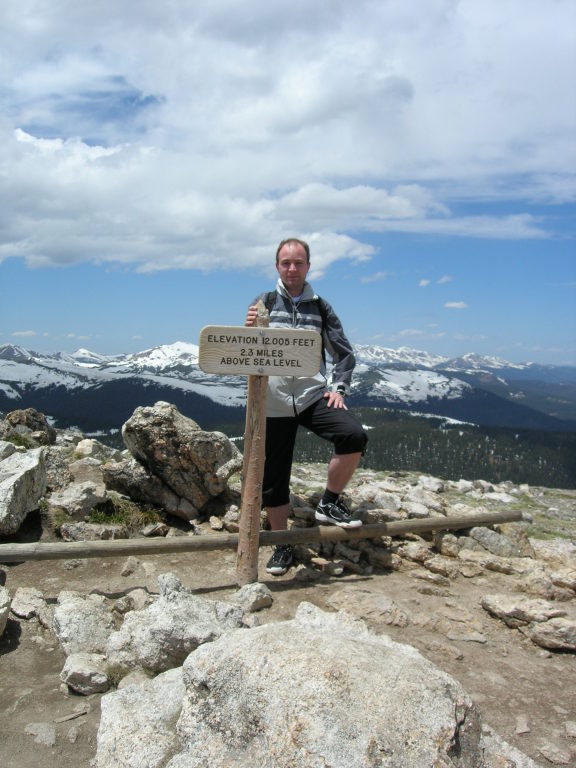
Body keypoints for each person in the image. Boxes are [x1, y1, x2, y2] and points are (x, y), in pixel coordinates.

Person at [245, 237, 368, 576]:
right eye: (286, 262)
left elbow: (343, 353)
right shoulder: (264, 302)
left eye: (298, 262)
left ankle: (329, 503)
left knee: (353, 435)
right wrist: (249, 328)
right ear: (277, 266)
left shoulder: (321, 307)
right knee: (274, 477)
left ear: (308, 266)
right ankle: (282, 544)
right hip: (275, 400)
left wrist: (338, 388)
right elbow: (250, 348)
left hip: (313, 397)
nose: (292, 268)